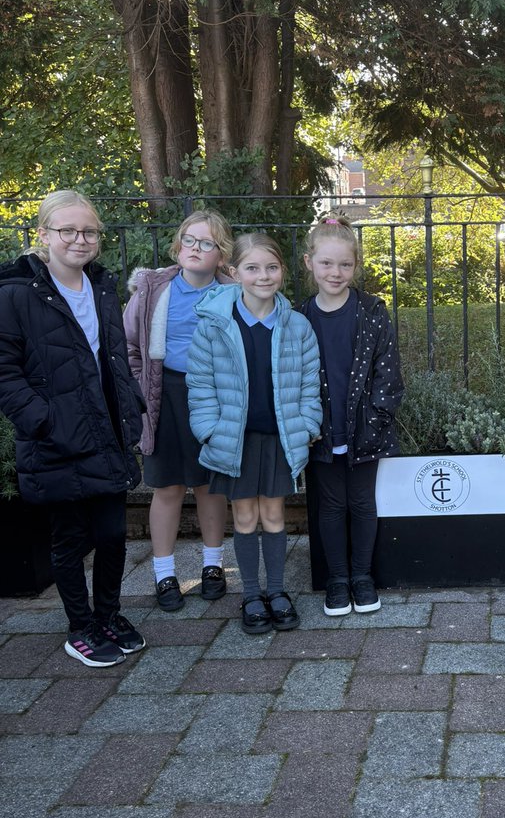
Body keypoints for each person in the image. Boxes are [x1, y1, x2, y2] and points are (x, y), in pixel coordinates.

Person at [0, 190, 145, 665]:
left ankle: (108, 615)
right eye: (68, 230)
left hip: (107, 431)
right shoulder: (16, 293)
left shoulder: (101, 286)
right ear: (44, 234)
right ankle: (80, 627)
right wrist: (41, 420)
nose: (79, 240)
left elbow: (113, 356)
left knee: (112, 534)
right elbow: (5, 370)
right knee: (70, 539)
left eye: (89, 231)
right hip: (57, 438)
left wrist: (131, 403)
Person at [187, 233, 322, 634]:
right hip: (235, 439)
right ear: (234, 272)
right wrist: (209, 430)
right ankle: (251, 595)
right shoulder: (214, 325)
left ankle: (277, 591)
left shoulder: (297, 325)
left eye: (271, 267)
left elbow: (310, 384)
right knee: (245, 516)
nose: (263, 276)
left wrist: (308, 424)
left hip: (279, 438)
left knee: (274, 514)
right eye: (252, 268)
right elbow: (201, 383)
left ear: (282, 271)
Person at [124, 211, 234, 611]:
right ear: (178, 244)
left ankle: (213, 565)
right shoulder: (152, 290)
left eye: (206, 243)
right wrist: (141, 387)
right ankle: (164, 572)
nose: (195, 248)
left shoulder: (233, 293)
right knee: (167, 486)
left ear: (221, 254)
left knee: (209, 484)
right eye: (189, 239)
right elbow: (129, 346)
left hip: (213, 396)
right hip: (163, 394)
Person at [299, 214, 404, 617]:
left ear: (356, 265)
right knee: (330, 505)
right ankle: (337, 579)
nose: (335, 272)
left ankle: (362, 576)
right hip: (319, 430)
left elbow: (388, 372)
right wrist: (305, 425)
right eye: (326, 263)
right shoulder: (299, 317)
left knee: (362, 503)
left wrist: (375, 419)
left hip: (365, 428)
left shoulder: (372, 311)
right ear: (309, 262)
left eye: (345, 264)